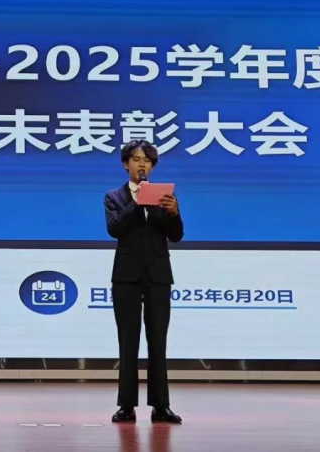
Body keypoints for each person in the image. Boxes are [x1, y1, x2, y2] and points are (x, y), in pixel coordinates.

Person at [105, 140, 184, 425]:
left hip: (158, 276)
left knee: (158, 341)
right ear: (126, 164)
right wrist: (137, 202)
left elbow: (176, 235)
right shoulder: (114, 196)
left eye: (147, 161)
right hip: (126, 276)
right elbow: (114, 229)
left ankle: (161, 406)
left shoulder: (165, 196)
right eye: (137, 159)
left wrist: (174, 213)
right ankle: (126, 406)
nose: (142, 165)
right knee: (128, 341)